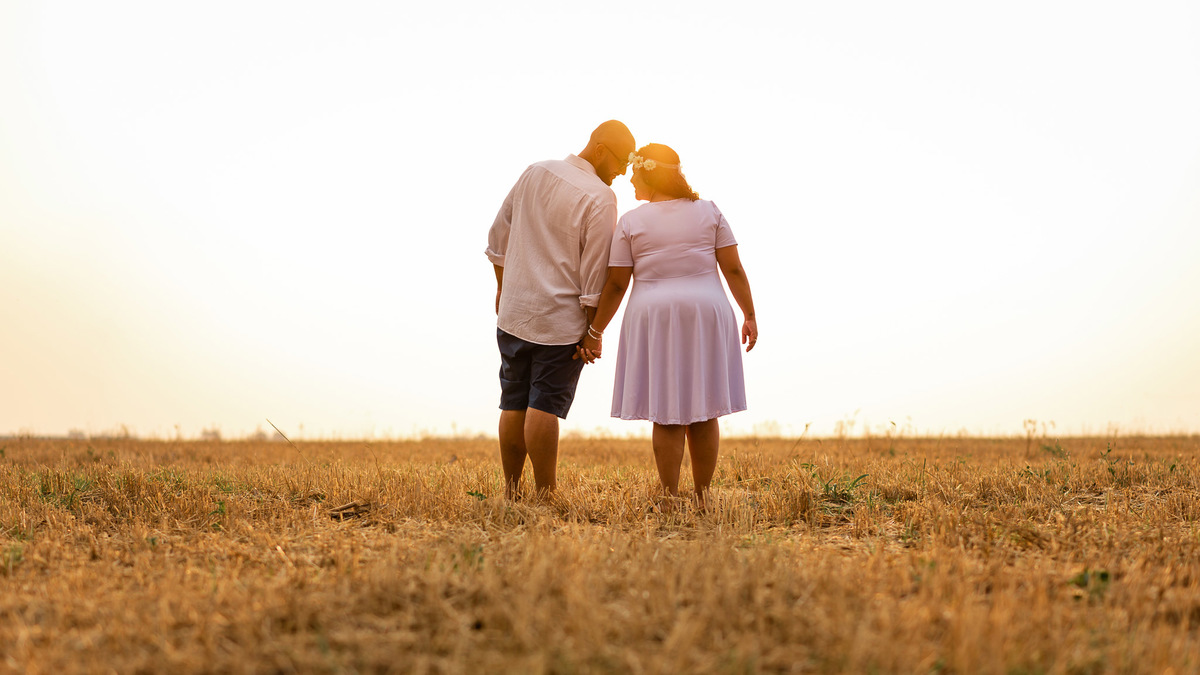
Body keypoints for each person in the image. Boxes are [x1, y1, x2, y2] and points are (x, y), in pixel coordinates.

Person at [580, 143, 757, 505]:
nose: (630, 179)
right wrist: (749, 313)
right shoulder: (709, 211)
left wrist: (595, 331)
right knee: (705, 408)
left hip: (655, 317)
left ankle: (669, 494)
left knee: (667, 410)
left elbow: (616, 284)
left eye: (635, 172)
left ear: (649, 173)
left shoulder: (631, 221)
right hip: (706, 313)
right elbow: (734, 268)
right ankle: (704, 494)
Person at [485, 120, 637, 499]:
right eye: (621, 162)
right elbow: (594, 272)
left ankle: (512, 491)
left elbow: (497, 237)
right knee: (544, 405)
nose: (622, 171)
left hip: (515, 312)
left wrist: (503, 288)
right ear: (600, 149)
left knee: (513, 401)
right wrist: (593, 331)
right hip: (559, 321)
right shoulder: (601, 197)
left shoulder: (536, 170)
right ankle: (546, 494)